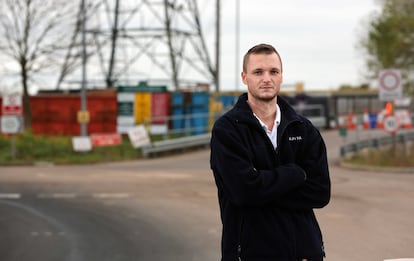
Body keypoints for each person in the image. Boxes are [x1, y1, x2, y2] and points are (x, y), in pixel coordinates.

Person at [210, 43, 331, 261]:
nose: (267, 78)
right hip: (248, 254)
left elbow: (320, 192)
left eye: (273, 71)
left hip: (303, 253)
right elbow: (242, 192)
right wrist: (294, 174)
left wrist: (260, 184)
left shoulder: (303, 129)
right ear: (244, 77)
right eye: (258, 72)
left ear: (281, 76)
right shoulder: (227, 130)